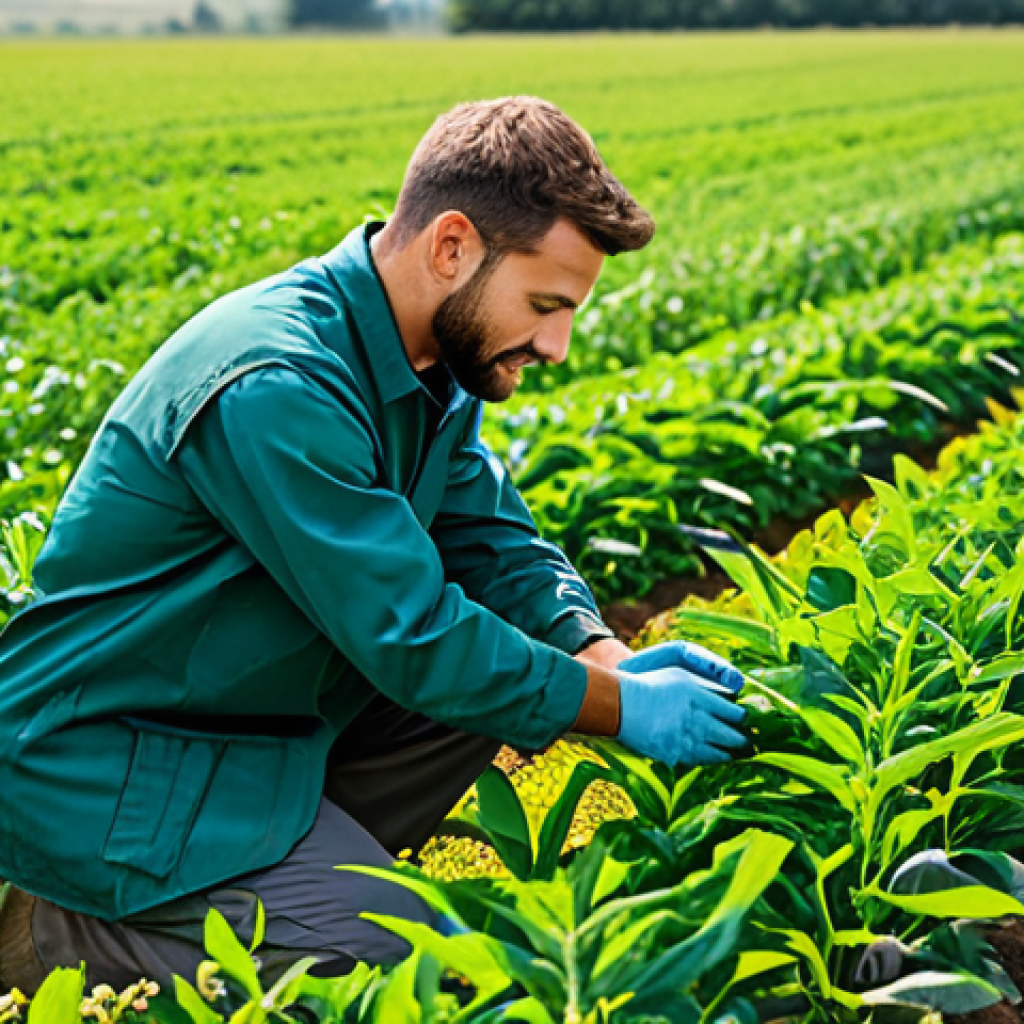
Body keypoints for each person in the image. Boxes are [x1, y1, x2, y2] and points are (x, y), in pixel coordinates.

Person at [0, 96, 748, 995]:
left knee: (512, 676)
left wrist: (603, 657)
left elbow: (495, 543)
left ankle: (281, 877)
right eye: (546, 305)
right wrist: (621, 711)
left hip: (246, 737)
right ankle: (66, 929)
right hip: (109, 772)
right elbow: (415, 636)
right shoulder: (277, 382)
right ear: (452, 248)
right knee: (405, 967)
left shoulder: (434, 359)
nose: (557, 344)